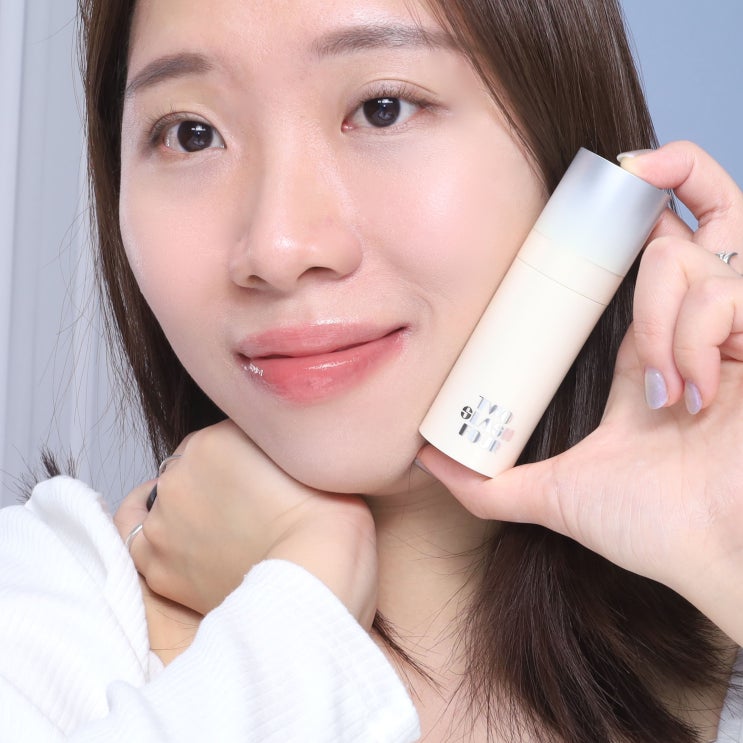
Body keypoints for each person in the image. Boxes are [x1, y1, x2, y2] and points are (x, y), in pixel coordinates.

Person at [1, 0, 742, 741]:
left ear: (564, 159)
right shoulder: (36, 622)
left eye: (382, 109)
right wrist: (307, 589)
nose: (278, 248)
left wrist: (724, 544)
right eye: (190, 134)